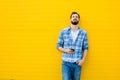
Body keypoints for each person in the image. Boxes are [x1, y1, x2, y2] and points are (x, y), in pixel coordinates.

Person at [56, 12, 89, 80]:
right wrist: (66, 50)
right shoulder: (63, 31)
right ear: (70, 19)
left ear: (79, 20)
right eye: (73, 16)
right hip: (66, 63)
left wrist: (83, 59)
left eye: (76, 17)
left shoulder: (83, 33)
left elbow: (85, 47)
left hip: (77, 63)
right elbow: (58, 46)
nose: (75, 17)